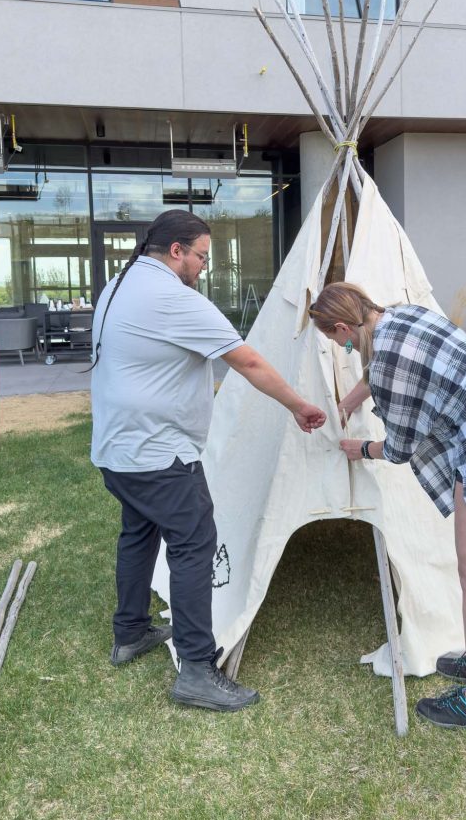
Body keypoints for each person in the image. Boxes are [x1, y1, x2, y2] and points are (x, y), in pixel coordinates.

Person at [90, 209, 326, 712]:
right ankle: (197, 668)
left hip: (118, 450)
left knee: (139, 532)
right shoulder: (172, 298)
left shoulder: (119, 285)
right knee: (196, 542)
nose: (203, 266)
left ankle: (129, 631)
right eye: (201, 256)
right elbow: (249, 361)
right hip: (158, 453)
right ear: (176, 251)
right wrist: (299, 405)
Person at [308, 282, 466, 736]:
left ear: (344, 327)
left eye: (334, 337)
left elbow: (403, 447)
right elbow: (381, 371)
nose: (338, 345)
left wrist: (362, 448)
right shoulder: (403, 316)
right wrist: (349, 401)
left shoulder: (385, 362)